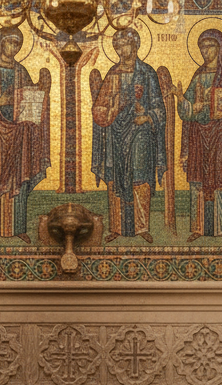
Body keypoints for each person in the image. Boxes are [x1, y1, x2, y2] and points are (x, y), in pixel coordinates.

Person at [0, 26, 50, 244]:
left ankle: (18, 227)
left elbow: (29, 101)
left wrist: (39, 91)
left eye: (17, 44)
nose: (13, 47)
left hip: (19, 135)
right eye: (9, 42)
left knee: (18, 179)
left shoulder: (21, 71)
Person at [90, 27, 167, 244]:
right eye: (118, 46)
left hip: (141, 134)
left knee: (140, 177)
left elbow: (161, 110)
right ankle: (116, 226)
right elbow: (99, 109)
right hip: (115, 134)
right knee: (116, 178)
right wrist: (111, 110)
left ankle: (141, 227)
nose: (122, 50)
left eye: (126, 45)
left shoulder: (147, 73)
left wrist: (147, 116)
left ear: (136, 45)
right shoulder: (112, 74)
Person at [173, 28, 222, 244]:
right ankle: (198, 227)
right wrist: (181, 99)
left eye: (210, 46)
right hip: (199, 135)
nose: (206, 51)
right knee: (198, 180)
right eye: (202, 48)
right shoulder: (198, 76)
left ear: (220, 48)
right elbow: (186, 111)